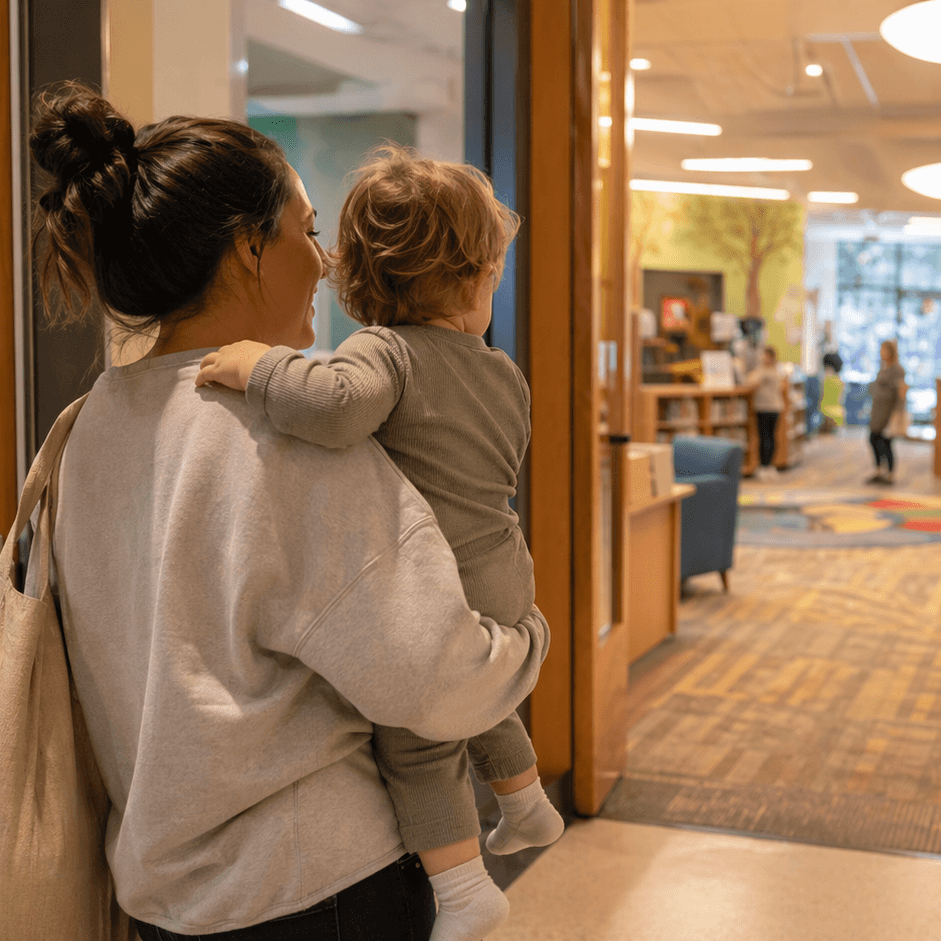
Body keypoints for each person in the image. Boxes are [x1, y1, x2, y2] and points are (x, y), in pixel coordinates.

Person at [30, 84, 549, 941]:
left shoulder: (89, 422)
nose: (329, 262)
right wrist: (527, 637)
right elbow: (435, 679)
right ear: (247, 250)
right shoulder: (284, 438)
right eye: (307, 231)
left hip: (160, 890)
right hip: (314, 886)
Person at [195, 146, 561, 941]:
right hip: (504, 563)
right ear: (472, 279)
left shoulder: (385, 351)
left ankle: (464, 888)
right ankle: (524, 798)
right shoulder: (504, 373)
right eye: (492, 278)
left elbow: (332, 409)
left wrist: (262, 368)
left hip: (441, 576)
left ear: (361, 275)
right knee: (483, 690)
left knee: (419, 739)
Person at [868, 340, 907, 484]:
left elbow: (901, 392)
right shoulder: (883, 368)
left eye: (884, 350)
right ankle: (878, 470)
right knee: (873, 438)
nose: (881, 353)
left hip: (888, 412)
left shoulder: (897, 370)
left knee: (886, 442)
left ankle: (889, 474)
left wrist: (897, 412)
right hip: (877, 411)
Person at [749, 345, 783, 476]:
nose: (763, 358)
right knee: (769, 437)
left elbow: (751, 381)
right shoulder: (777, 370)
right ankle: (768, 466)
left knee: (766, 438)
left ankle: (765, 466)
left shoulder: (765, 371)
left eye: (765, 355)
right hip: (773, 407)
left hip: (766, 408)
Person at [819, 352, 845, 433]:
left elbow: (820, 397)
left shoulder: (824, 380)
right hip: (839, 413)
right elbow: (841, 399)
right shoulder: (840, 381)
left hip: (824, 412)